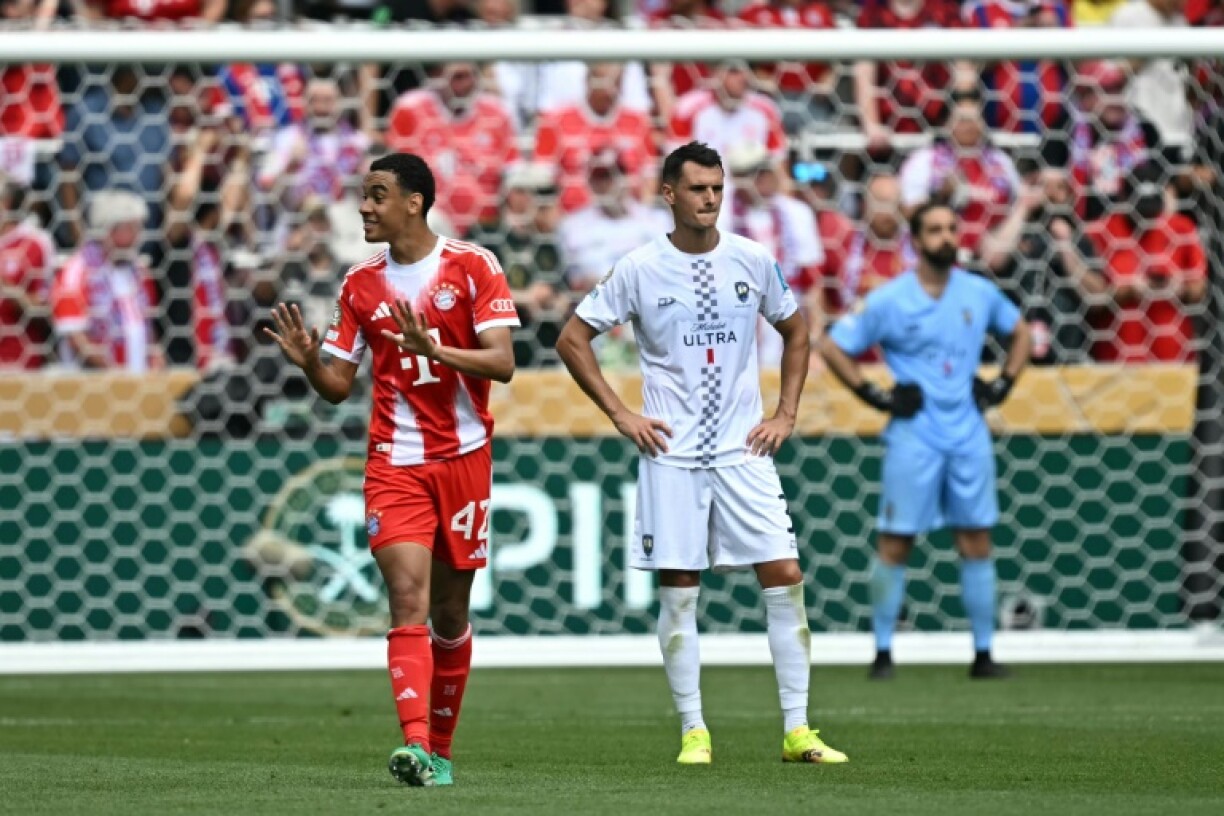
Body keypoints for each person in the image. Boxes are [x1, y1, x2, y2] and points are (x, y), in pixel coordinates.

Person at [555, 141, 848, 766]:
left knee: (786, 577)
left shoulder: (753, 259)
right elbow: (572, 339)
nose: (710, 198)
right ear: (669, 194)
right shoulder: (638, 267)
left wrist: (785, 414)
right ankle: (695, 730)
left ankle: (798, 729)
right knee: (680, 590)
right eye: (697, 188)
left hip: (744, 451)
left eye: (717, 188)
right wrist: (620, 413)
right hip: (673, 455)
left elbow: (797, 330)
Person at [263, 153, 519, 787]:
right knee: (408, 599)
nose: (364, 207)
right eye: (362, 195)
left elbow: (503, 363)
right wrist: (306, 364)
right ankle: (415, 747)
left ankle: (444, 752)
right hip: (394, 461)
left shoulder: (473, 265)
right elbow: (336, 386)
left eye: (378, 195)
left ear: (415, 201)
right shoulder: (359, 284)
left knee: (451, 616)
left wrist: (436, 349)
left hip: (463, 458)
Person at [818, 202, 1032, 680]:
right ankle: (883, 652)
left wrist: (1003, 383)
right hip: (914, 435)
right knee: (896, 540)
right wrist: (875, 395)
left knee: (976, 539)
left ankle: (982, 653)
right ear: (915, 240)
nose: (946, 236)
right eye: (935, 229)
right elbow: (833, 344)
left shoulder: (978, 292)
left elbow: (1020, 333)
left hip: (969, 433)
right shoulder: (890, 299)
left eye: (952, 228)